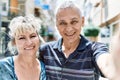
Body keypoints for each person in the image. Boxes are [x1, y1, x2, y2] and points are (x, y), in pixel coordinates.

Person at [39, 1, 120, 80]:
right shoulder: (45, 50)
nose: (69, 29)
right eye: (63, 23)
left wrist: (114, 67)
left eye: (74, 22)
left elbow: (106, 64)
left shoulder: (94, 49)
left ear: (82, 21)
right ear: (57, 25)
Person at [0, 15, 46, 80]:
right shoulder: (3, 67)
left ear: (39, 38)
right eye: (22, 38)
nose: (29, 42)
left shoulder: (46, 69)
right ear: (14, 42)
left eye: (32, 36)